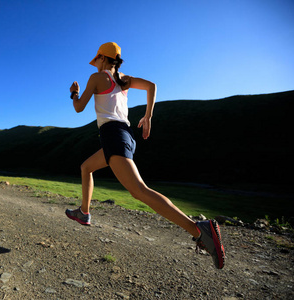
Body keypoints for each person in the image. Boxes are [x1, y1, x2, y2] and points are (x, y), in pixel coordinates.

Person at [65, 42, 225, 269]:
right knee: (86, 167)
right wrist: (148, 116)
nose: (96, 62)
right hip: (124, 136)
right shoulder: (124, 79)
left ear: (101, 58)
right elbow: (151, 86)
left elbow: (79, 107)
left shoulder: (97, 77)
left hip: (113, 136)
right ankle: (84, 212)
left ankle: (199, 229)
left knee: (139, 190)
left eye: (97, 59)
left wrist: (74, 93)